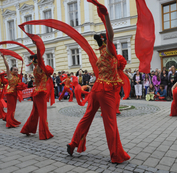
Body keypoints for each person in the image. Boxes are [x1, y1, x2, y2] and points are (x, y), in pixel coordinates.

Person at [67, 5, 130, 163]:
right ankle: (116, 154)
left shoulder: (101, 54)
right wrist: (106, 16)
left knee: (87, 117)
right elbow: (111, 34)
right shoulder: (110, 51)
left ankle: (73, 143)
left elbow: (106, 38)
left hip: (96, 89)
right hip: (105, 90)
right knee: (110, 122)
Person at [20, 45, 54, 140]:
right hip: (40, 94)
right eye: (41, 59)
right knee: (43, 114)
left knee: (35, 113)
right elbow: (39, 59)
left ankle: (27, 129)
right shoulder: (38, 68)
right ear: (37, 60)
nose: (43, 60)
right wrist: (38, 46)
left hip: (38, 92)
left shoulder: (37, 69)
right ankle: (44, 134)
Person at [1, 54, 26, 128]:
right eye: (15, 70)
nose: (16, 71)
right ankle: (9, 123)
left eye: (17, 70)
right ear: (11, 71)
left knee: (13, 108)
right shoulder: (10, 75)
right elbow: (7, 66)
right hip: (10, 93)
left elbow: (18, 85)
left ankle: (8, 118)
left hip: (15, 93)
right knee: (11, 108)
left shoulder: (17, 77)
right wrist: (3, 57)